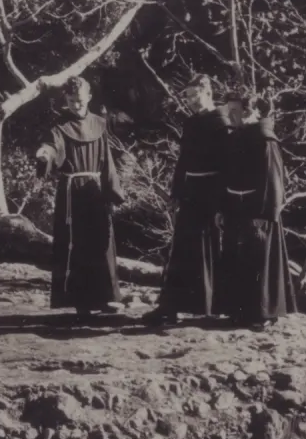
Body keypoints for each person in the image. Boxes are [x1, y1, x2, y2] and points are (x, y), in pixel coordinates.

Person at [143, 75, 231, 326]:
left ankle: (210, 307)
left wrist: (222, 203)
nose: (190, 101)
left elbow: (228, 166)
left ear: (208, 93)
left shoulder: (221, 121)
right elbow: (183, 160)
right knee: (181, 249)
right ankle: (170, 307)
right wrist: (176, 192)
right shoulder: (191, 123)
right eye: (187, 96)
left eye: (195, 95)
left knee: (210, 247)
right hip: (190, 191)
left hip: (211, 192)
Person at [35, 76, 124, 320]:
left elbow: (107, 159)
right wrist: (45, 155)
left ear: (89, 97)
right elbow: (52, 146)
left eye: (80, 100)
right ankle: (81, 301)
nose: (76, 105)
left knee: (103, 243)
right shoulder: (59, 126)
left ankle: (108, 297)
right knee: (78, 245)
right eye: (72, 101)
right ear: (66, 99)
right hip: (72, 192)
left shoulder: (100, 123)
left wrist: (112, 190)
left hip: (96, 189)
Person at [219, 91, 297, 328]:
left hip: (258, 211)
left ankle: (263, 314)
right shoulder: (235, 136)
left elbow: (274, 179)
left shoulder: (265, 139)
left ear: (248, 111)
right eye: (227, 111)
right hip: (235, 207)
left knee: (259, 261)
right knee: (236, 259)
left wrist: (266, 215)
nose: (228, 116)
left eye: (233, 111)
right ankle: (239, 311)